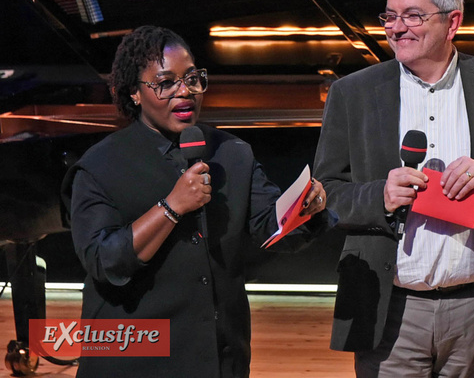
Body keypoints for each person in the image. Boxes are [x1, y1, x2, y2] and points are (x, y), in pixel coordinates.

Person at [313, 0, 474, 377]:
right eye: (390, 16)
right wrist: (379, 196)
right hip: (390, 306)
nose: (396, 28)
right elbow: (324, 195)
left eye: (413, 16)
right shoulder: (352, 92)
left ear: (452, 21)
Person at [61, 25, 330, 378]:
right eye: (165, 83)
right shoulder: (99, 166)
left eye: (192, 78)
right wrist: (172, 208)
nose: (184, 91)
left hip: (219, 356)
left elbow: (271, 226)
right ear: (135, 93)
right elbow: (104, 261)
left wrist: (307, 211)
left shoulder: (233, 154)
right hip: (135, 359)